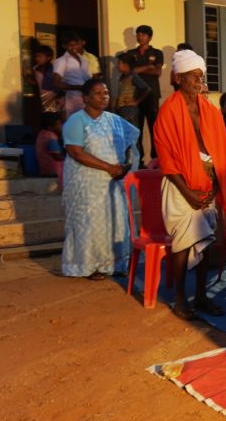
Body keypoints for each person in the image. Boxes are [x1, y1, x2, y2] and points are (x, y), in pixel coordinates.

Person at [153, 49, 226, 319]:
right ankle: (181, 299)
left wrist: (215, 187)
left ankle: (201, 296)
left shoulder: (210, 111)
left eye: (200, 76)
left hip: (208, 185)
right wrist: (188, 192)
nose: (198, 81)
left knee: (207, 243)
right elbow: (166, 158)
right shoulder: (167, 111)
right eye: (192, 76)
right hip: (180, 185)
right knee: (182, 243)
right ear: (178, 78)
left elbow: (220, 151)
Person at [60, 79, 138, 279]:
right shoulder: (76, 121)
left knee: (115, 222)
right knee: (89, 224)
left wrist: (127, 164)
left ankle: (115, 264)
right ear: (85, 98)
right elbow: (75, 152)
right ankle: (87, 266)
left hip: (112, 184)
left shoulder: (114, 120)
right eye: (98, 93)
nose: (104, 96)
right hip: (86, 185)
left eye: (106, 92)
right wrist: (108, 167)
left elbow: (132, 143)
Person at [126, 25, 164, 162]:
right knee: (137, 129)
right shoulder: (130, 53)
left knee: (155, 128)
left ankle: (156, 158)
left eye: (143, 35)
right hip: (135, 95)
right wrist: (148, 67)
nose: (140, 37)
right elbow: (129, 71)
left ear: (149, 37)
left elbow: (157, 72)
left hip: (152, 95)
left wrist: (138, 69)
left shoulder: (157, 53)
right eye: (138, 34)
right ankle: (139, 159)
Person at [52, 32, 92, 117]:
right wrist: (77, 87)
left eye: (76, 44)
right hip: (72, 99)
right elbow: (56, 83)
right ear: (64, 46)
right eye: (70, 45)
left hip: (87, 99)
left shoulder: (84, 61)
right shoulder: (62, 61)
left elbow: (89, 79)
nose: (74, 47)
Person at [112, 52, 151, 131]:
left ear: (126, 65)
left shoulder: (133, 76)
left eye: (119, 63)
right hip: (122, 110)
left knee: (131, 137)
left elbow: (147, 88)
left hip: (130, 112)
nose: (117, 66)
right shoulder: (122, 77)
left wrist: (136, 101)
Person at [30, 45, 60, 114]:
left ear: (48, 58)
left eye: (40, 56)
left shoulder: (54, 68)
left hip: (54, 100)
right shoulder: (35, 68)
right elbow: (38, 84)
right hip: (43, 100)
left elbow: (58, 86)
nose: (37, 59)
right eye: (36, 56)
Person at [35, 112, 64, 178]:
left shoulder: (41, 134)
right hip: (53, 171)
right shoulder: (51, 137)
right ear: (50, 127)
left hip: (44, 170)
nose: (61, 126)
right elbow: (57, 156)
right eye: (58, 124)